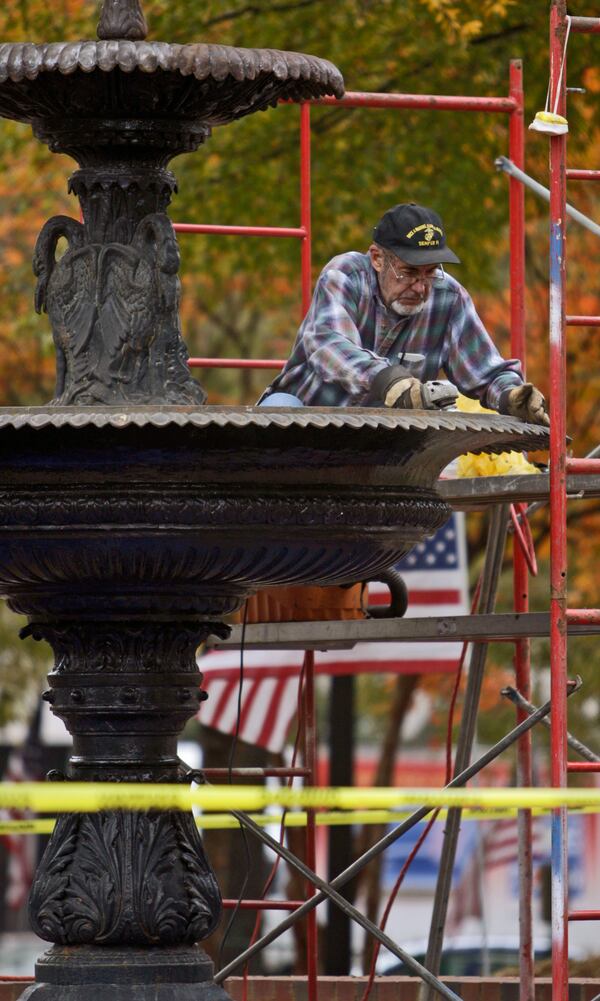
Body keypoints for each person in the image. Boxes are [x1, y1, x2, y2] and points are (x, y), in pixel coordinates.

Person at [258, 203, 549, 425]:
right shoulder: (345, 274)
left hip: (387, 439)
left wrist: (512, 397)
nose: (421, 286)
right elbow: (327, 344)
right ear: (377, 259)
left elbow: (485, 373)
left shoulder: (448, 296)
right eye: (409, 272)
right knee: (277, 409)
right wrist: (390, 380)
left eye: (430, 272)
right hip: (310, 422)